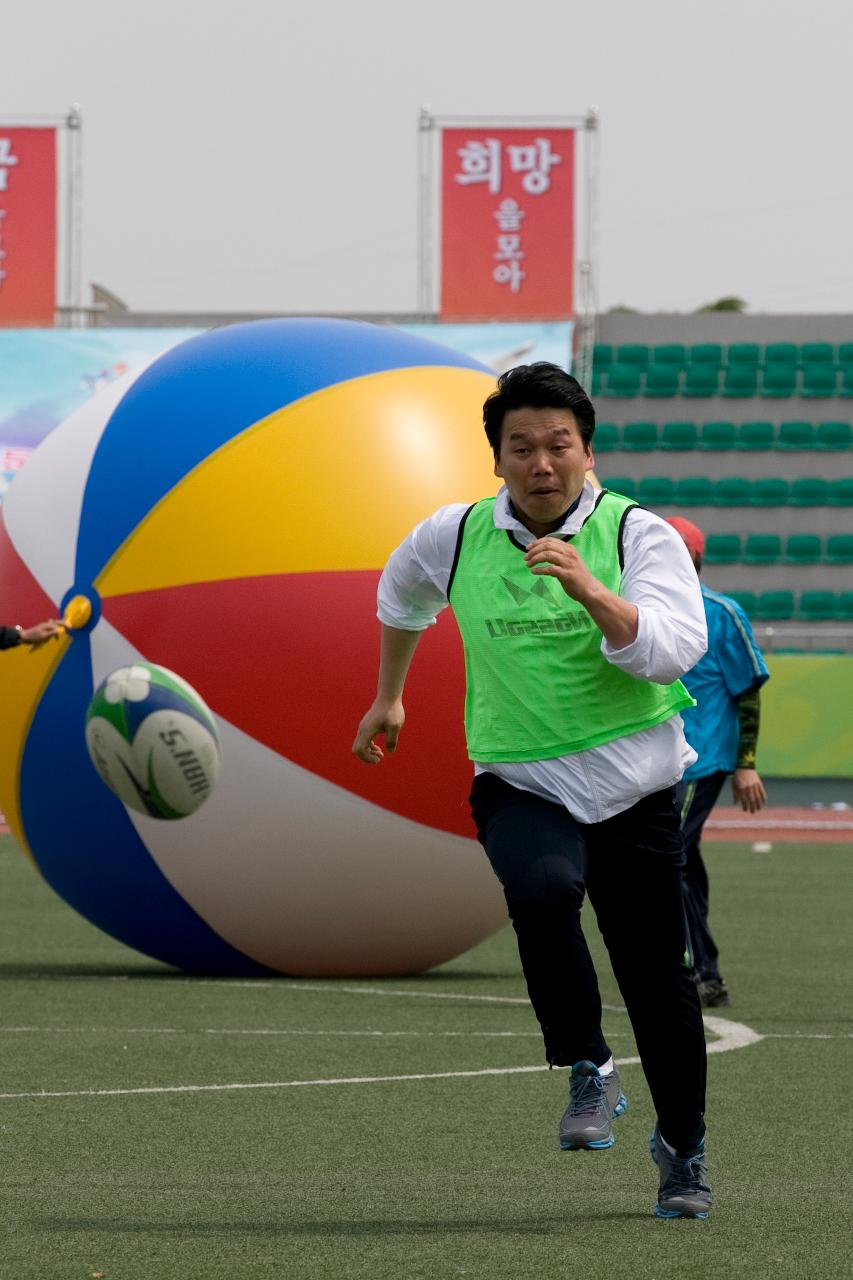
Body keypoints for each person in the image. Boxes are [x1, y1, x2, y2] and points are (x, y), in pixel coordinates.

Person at [353, 363, 714, 1220]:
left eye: (558, 445)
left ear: (588, 453)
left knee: (659, 984)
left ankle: (684, 1151)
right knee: (542, 889)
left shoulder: (638, 536)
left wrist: (590, 590)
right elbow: (399, 596)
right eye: (521, 447)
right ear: (497, 460)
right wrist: (388, 693)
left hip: (634, 788)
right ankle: (587, 1066)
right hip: (520, 778)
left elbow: (671, 650)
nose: (540, 462)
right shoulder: (453, 534)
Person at [666, 517, 769, 1009]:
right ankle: (695, 966)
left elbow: (748, 692)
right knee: (684, 858)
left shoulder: (722, 614)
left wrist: (745, 764)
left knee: (672, 857)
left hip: (702, 760)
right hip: (656, 762)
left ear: (693, 560)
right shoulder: (639, 610)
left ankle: (702, 972)